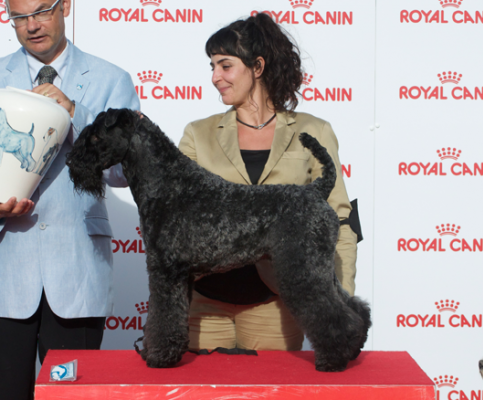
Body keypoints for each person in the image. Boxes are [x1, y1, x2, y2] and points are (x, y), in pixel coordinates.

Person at [179, 13, 358, 352]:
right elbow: (177, 215)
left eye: (225, 66)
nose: (215, 77)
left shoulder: (314, 131)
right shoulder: (196, 134)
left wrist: (340, 300)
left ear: (257, 66)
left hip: (274, 307)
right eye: (212, 67)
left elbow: (340, 219)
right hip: (204, 305)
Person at [0, 0, 140, 398]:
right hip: (6, 272)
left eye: (42, 11)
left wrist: (75, 113)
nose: (32, 25)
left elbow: (125, 173)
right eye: (19, 16)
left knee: (71, 396)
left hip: (77, 272)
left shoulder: (112, 79)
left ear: (66, 7)